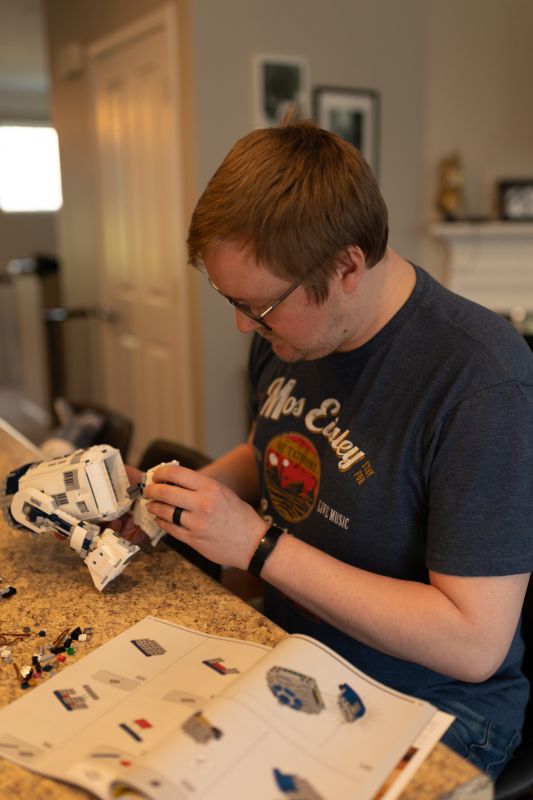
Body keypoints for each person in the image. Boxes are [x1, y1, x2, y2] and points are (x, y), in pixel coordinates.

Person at [135, 114, 533, 779]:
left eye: (259, 307)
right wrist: (176, 497)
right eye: (230, 300)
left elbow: (472, 644)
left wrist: (257, 546)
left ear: (347, 266)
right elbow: (271, 446)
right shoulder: (292, 334)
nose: (243, 325)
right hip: (295, 652)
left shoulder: (483, 384)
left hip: (431, 708)